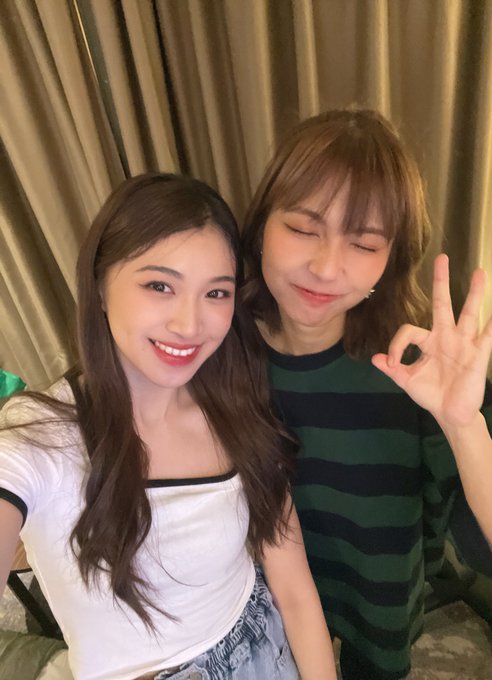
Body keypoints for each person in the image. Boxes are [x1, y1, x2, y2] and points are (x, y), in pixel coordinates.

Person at [0, 174, 337, 680]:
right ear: (100, 286)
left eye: (216, 293)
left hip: (263, 646)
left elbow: (293, 589)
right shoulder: (40, 433)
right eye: (159, 285)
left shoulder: (235, 405)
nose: (189, 324)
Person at [241, 108, 492, 679]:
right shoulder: (222, 350)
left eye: (363, 244)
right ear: (262, 225)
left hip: (380, 607)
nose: (325, 267)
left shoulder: (422, 368)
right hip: (269, 607)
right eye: (303, 229)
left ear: (390, 259)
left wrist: (464, 425)